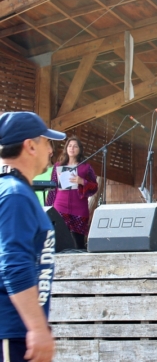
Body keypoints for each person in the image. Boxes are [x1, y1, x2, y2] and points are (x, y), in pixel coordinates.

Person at [0, 111, 66, 362]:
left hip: (18, 332)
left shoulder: (14, 190)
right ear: (30, 145)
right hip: (13, 333)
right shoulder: (15, 194)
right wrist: (37, 328)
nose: (51, 149)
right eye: (47, 141)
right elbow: (15, 264)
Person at [46, 136, 98, 249]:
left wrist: (82, 181)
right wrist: (48, 208)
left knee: (78, 243)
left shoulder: (86, 167)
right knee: (59, 242)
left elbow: (94, 188)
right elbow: (52, 187)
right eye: (69, 146)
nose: (72, 148)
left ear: (80, 149)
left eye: (75, 146)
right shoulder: (58, 166)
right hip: (60, 207)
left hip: (79, 209)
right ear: (66, 148)